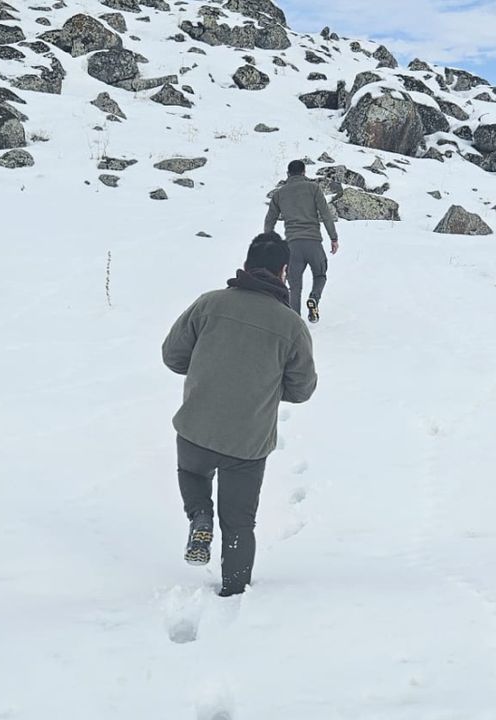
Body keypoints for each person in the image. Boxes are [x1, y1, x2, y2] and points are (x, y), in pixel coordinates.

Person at [161, 233, 318, 597]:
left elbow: (172, 356)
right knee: (239, 523)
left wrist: (207, 370)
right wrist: (264, 387)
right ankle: (233, 596)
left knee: (192, 473)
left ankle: (200, 516)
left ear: (247, 264)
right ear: (284, 272)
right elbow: (302, 389)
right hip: (247, 442)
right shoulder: (291, 326)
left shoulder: (209, 304)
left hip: (196, 426)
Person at [264, 159, 340, 323]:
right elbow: (326, 215)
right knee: (320, 275)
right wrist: (333, 238)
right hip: (313, 243)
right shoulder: (313, 188)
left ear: (288, 174)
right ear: (304, 172)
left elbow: (269, 220)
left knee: (294, 286)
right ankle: (314, 298)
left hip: (292, 245)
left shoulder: (279, 194)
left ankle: (295, 322)